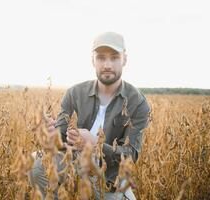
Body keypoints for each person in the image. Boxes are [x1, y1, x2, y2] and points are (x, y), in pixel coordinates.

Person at [30, 31, 151, 200]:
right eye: (101, 57)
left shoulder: (138, 102)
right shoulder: (74, 93)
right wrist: (52, 136)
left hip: (107, 177)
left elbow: (132, 155)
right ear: (92, 60)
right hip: (72, 164)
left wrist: (95, 144)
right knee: (36, 165)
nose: (107, 65)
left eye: (114, 57)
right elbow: (60, 135)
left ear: (124, 59)